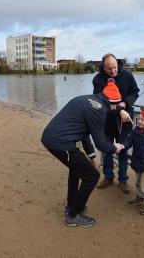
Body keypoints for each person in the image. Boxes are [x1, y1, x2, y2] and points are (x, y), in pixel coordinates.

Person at [41, 80, 124, 227]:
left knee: (76, 170)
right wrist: (114, 148)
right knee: (92, 176)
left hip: (53, 137)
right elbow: (101, 143)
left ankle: (71, 206)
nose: (116, 108)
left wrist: (92, 156)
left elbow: (84, 132)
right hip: (60, 142)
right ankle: (73, 215)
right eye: (117, 106)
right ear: (113, 102)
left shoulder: (88, 99)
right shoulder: (100, 110)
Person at [93, 53, 139, 193]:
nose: (113, 71)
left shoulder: (127, 75)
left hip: (124, 120)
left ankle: (123, 179)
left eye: (114, 68)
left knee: (122, 149)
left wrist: (125, 103)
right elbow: (99, 101)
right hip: (107, 120)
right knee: (107, 148)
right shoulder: (98, 79)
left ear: (117, 64)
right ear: (103, 67)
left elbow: (135, 92)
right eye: (109, 69)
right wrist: (119, 109)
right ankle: (108, 176)